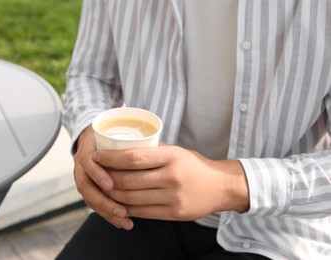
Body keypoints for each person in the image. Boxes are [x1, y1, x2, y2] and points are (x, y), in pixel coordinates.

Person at [58, 1, 331, 259]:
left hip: (279, 228)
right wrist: (89, 133)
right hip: (142, 204)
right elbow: (90, 75)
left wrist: (229, 185)